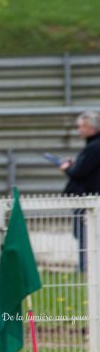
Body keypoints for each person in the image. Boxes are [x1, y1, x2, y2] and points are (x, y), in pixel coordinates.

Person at [58, 111, 100, 272]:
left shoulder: (94, 147)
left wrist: (67, 168)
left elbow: (80, 172)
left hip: (87, 198)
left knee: (84, 234)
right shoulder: (92, 146)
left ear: (92, 127)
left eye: (82, 127)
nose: (79, 130)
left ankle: (85, 268)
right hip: (90, 198)